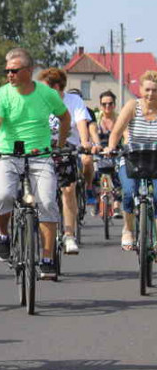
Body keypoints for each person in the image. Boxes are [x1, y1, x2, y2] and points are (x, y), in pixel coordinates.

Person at [0, 48, 70, 280]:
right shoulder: (2, 94)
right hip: (8, 154)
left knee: (48, 202)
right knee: (1, 196)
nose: (9, 74)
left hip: (40, 155)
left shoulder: (46, 93)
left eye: (14, 70)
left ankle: (48, 258)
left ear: (29, 71)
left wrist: (60, 143)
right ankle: (3, 235)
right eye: (7, 70)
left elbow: (64, 116)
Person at [37, 68, 94, 255]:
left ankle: (69, 234)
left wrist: (85, 142)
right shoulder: (39, 101)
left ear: (56, 87)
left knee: (68, 189)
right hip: (43, 148)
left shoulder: (73, 101)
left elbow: (81, 124)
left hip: (66, 147)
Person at [103, 71, 157, 251]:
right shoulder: (133, 106)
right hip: (132, 157)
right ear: (141, 89)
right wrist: (111, 147)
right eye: (147, 89)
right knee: (128, 192)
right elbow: (117, 132)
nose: (151, 94)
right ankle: (129, 229)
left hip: (155, 158)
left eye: (155, 90)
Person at [95, 90, 122, 218]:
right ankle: (96, 200)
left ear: (114, 105)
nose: (107, 107)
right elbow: (92, 135)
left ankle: (116, 206)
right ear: (100, 105)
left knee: (119, 177)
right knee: (94, 175)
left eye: (110, 104)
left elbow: (126, 135)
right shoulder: (96, 120)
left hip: (116, 152)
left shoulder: (120, 119)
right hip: (100, 153)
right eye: (104, 104)